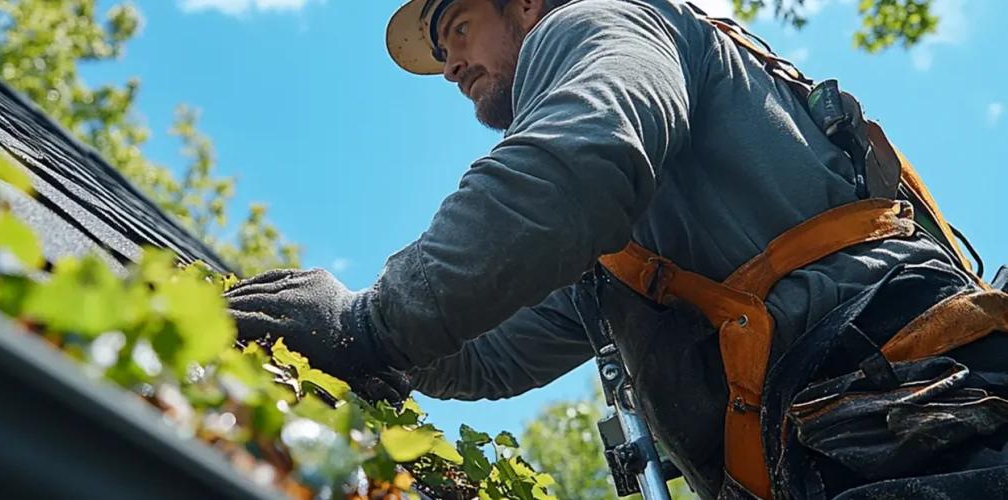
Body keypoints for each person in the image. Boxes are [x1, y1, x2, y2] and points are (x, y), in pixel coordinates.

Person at [223, 0, 1008, 499]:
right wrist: (355, 344)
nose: (451, 65)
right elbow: (490, 355)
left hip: (920, 420)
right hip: (845, 446)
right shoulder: (624, 249)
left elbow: (578, 165)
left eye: (459, 28)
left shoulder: (602, 18)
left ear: (528, 4)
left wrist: (363, 327)